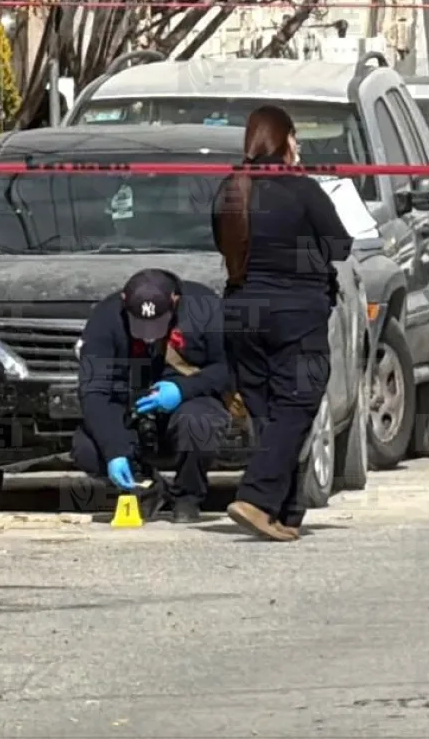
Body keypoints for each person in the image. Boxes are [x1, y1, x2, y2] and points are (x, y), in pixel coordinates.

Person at [213, 105, 353, 541]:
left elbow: (223, 242)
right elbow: (341, 246)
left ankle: (285, 511)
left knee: (271, 415)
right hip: (295, 316)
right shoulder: (302, 190)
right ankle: (256, 498)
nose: (299, 148)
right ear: (285, 140)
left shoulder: (230, 189)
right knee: (297, 405)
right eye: (296, 139)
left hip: (242, 316)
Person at [71, 269, 231, 523]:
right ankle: (149, 488)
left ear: (175, 301)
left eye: (157, 324)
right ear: (124, 301)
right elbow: (94, 391)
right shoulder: (105, 317)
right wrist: (114, 450)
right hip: (130, 405)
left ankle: (187, 497)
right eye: (139, 324)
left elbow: (230, 367)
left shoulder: (205, 307)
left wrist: (183, 390)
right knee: (86, 447)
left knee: (200, 423)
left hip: (189, 400)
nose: (148, 334)